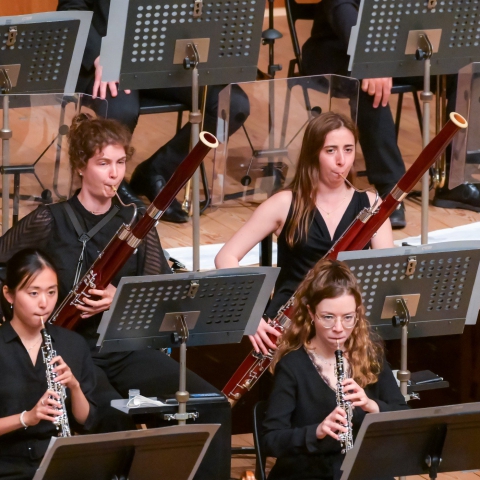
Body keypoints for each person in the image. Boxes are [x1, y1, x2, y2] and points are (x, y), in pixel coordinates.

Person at [0, 114, 231, 480]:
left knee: (212, 405)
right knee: (113, 419)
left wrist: (118, 297)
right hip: (70, 351)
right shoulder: (50, 220)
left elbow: (162, 292)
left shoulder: (137, 220)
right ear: (81, 167)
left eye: (121, 163)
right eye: (103, 163)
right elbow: (4, 268)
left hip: (125, 348)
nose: (114, 174)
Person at [215, 111, 393, 355]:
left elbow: (386, 273)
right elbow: (226, 257)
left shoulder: (371, 204)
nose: (341, 160)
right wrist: (250, 315)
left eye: (348, 149)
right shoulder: (285, 203)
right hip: (290, 325)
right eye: (330, 150)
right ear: (314, 154)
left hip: (343, 326)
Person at [57, 0, 250, 224]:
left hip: (166, 57)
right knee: (121, 111)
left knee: (233, 105)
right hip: (109, 62)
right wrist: (100, 55)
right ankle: (112, 187)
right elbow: (71, 8)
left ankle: (155, 172)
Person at [302, 0, 480, 215]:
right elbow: (340, 7)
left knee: (470, 73)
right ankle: (390, 191)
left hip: (399, 49)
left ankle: (455, 183)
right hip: (339, 49)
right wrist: (372, 61)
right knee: (370, 86)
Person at [262, 259, 408, 480]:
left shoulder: (371, 356)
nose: (339, 329)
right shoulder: (293, 366)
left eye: (348, 318)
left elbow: (404, 416)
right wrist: (317, 431)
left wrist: (371, 405)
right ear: (311, 313)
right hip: (308, 473)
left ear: (357, 313)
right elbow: (271, 440)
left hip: (363, 469)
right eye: (328, 317)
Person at [0, 248, 97, 480]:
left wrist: (74, 386)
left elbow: (87, 421)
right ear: (9, 294)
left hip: (56, 463)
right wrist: (27, 418)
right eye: (33, 293)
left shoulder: (73, 344)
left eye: (51, 292)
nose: (44, 303)